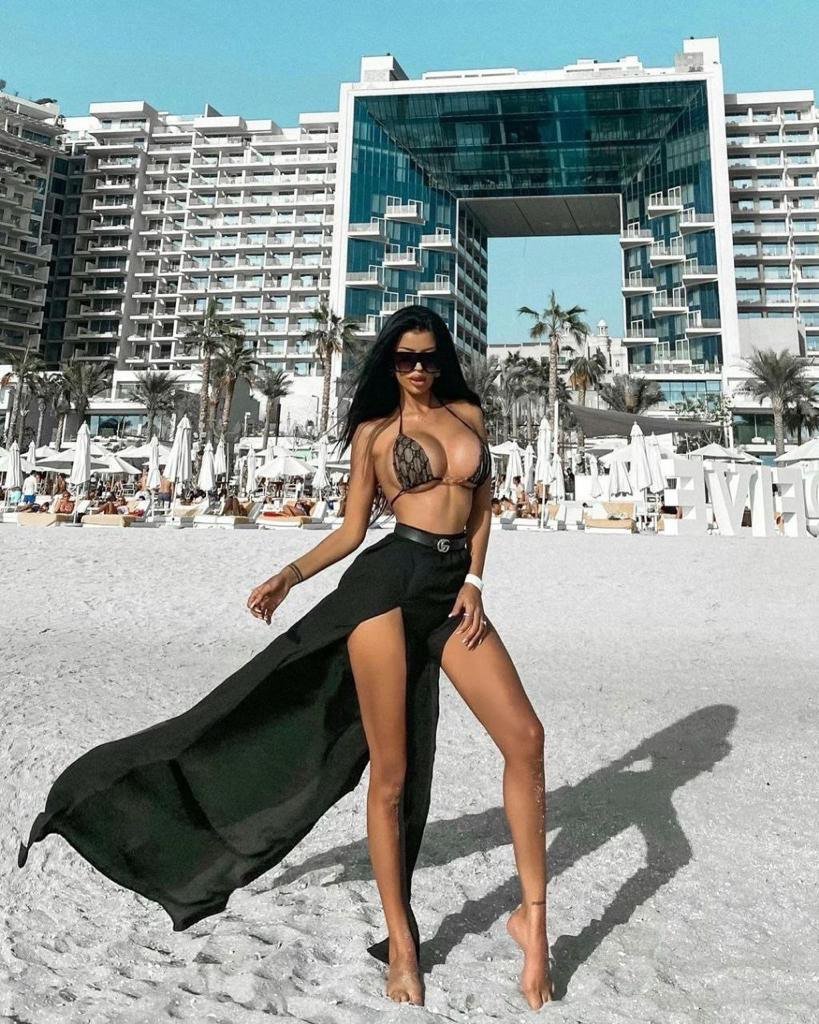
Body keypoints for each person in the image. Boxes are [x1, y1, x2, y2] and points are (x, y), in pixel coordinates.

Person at [17, 305, 554, 1011]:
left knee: (525, 739)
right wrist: (289, 577)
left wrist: (477, 581)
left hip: (454, 592)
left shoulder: (469, 417)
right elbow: (353, 531)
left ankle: (532, 919)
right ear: (389, 364)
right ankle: (400, 941)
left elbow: (482, 509)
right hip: (385, 592)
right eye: (405, 359)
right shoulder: (374, 434)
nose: (418, 369)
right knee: (390, 774)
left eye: (428, 357)